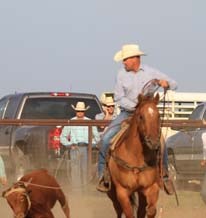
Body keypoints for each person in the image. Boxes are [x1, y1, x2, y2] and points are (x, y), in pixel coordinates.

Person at [97, 44, 178, 194]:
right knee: (106, 138)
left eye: (126, 59)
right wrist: (136, 107)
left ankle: (164, 175)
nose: (124, 62)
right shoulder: (121, 74)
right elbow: (119, 97)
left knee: (161, 142)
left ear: (135, 59)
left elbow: (174, 84)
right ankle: (103, 174)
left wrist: (165, 83)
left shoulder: (151, 72)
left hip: (146, 115)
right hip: (127, 113)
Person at [60, 101, 100, 190]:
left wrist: (90, 145)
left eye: (81, 111)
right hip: (75, 148)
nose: (80, 113)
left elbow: (97, 137)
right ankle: (77, 190)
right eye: (78, 111)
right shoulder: (71, 121)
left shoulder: (89, 121)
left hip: (86, 148)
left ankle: (85, 189)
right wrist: (70, 145)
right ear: (76, 111)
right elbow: (62, 137)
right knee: (75, 170)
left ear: (84, 112)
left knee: (85, 170)